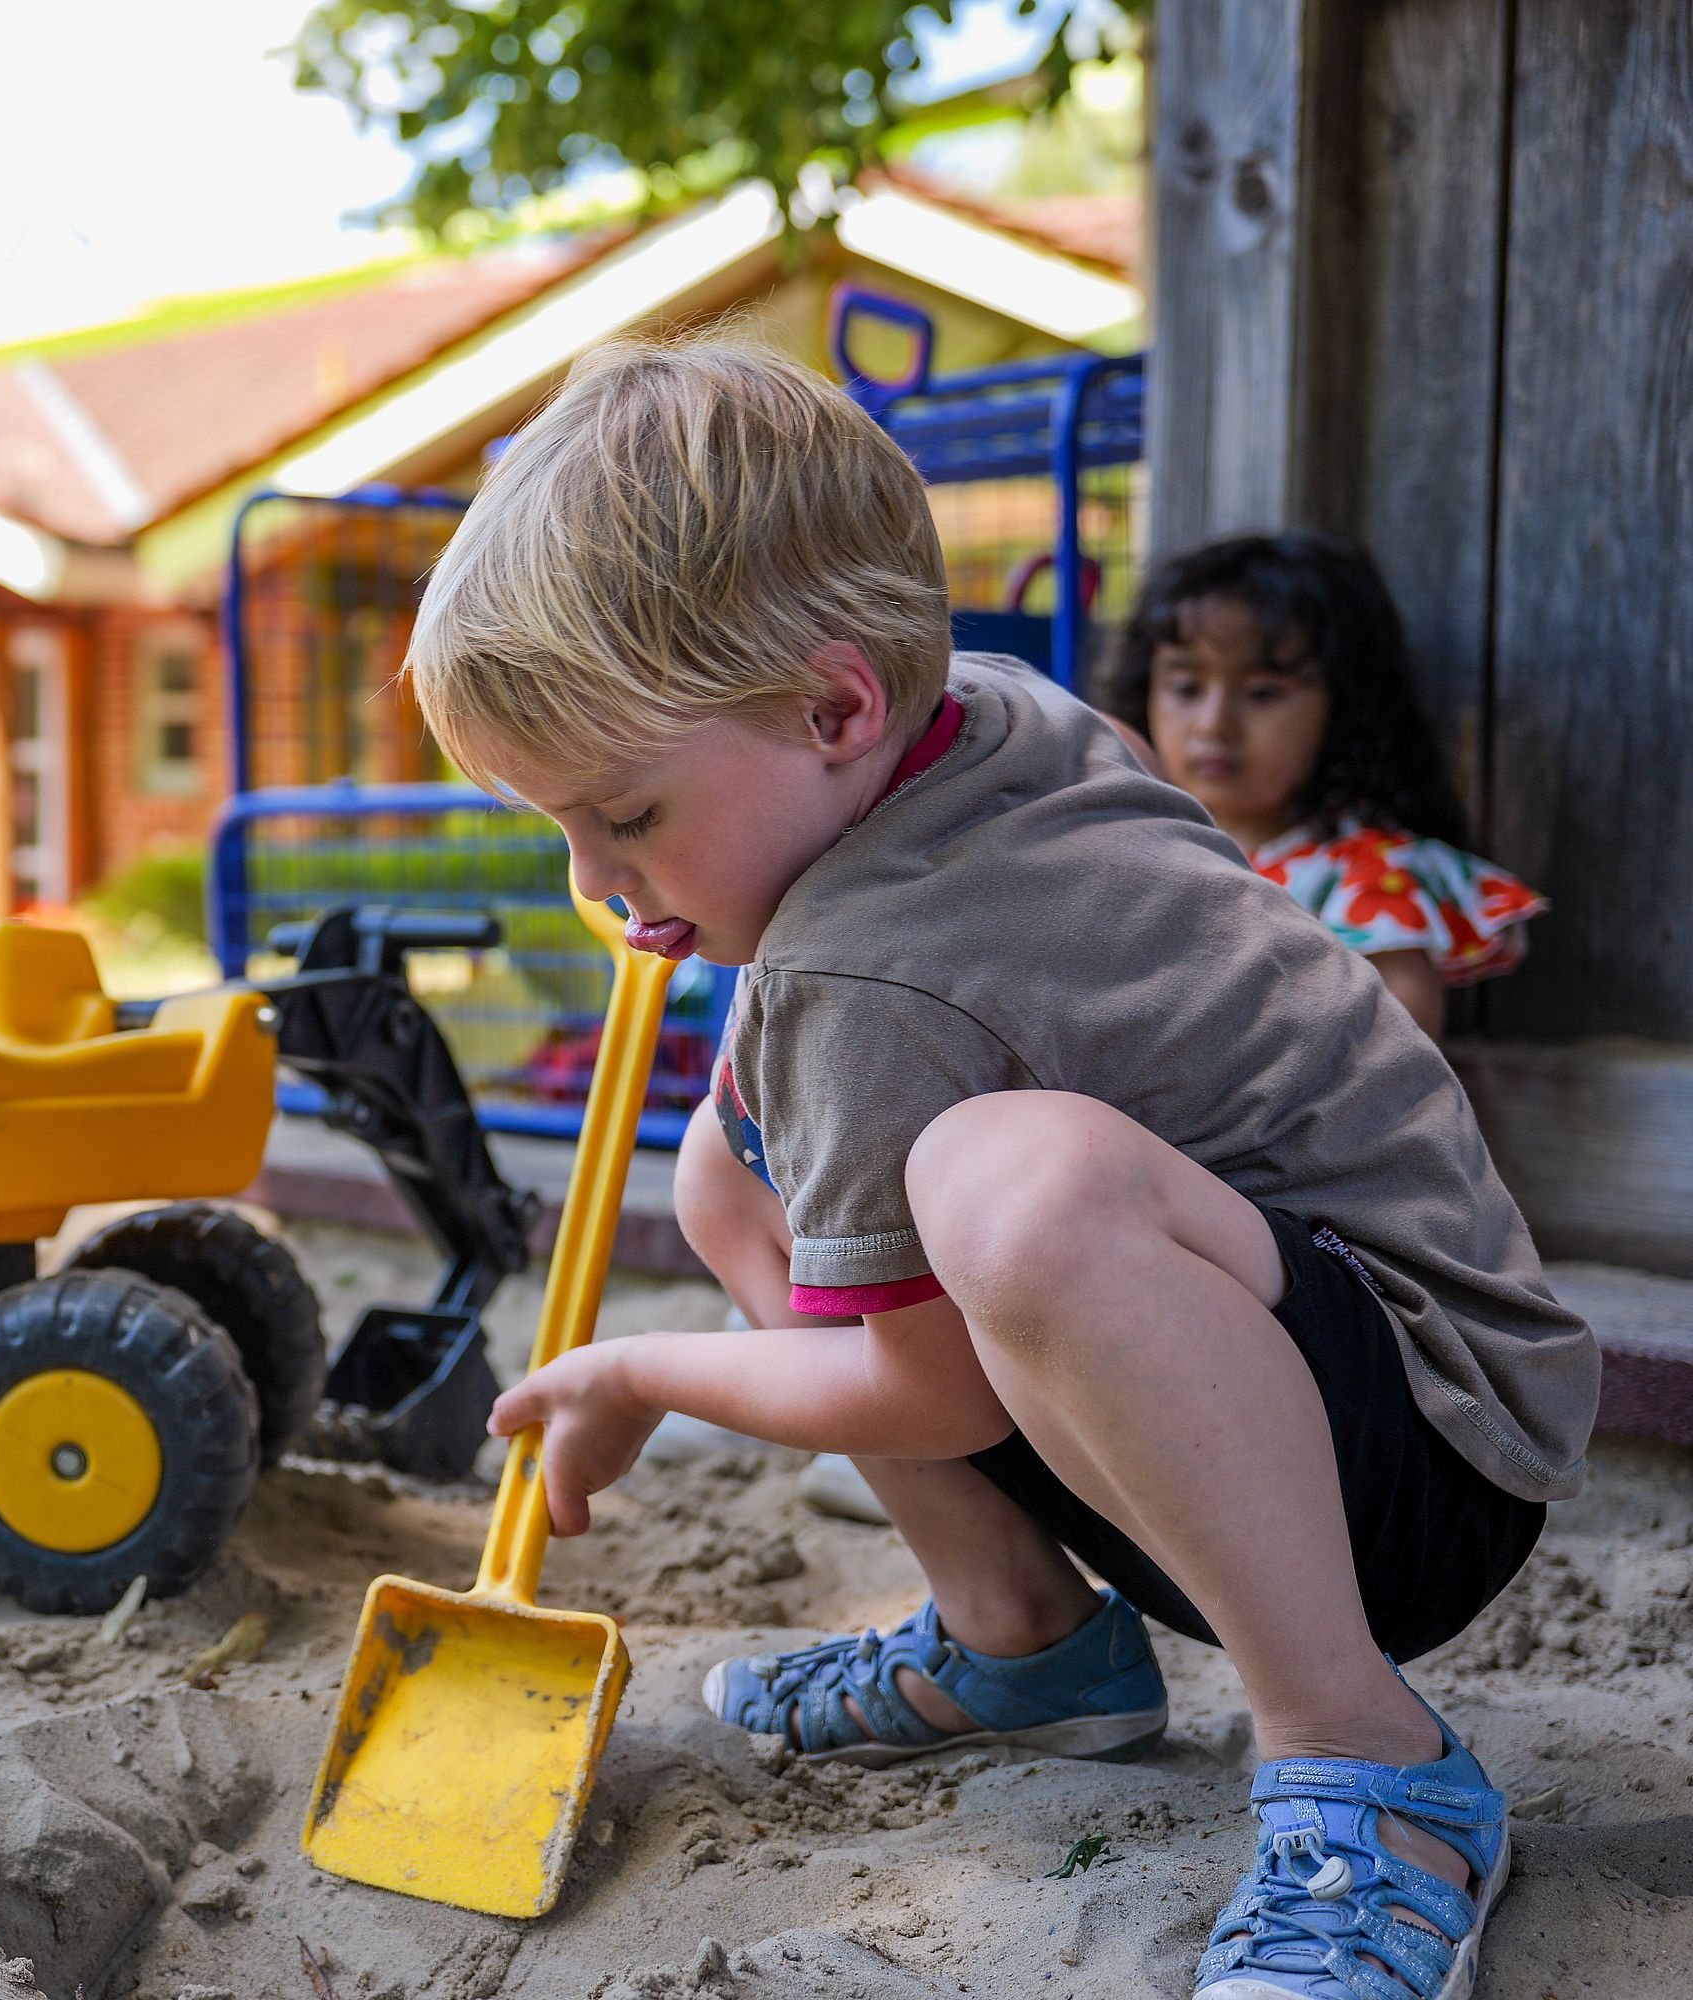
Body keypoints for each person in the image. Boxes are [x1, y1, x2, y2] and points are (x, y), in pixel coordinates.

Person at [408, 334, 1596, 2000]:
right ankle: (1020, 1636)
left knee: (1007, 1185)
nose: (598, 883)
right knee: (731, 1165)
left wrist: (638, 1365)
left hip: (1422, 1454)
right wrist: (738, 989)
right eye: (562, 830)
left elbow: (931, 1393)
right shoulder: (980, 722)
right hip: (1269, 1396)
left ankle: (1370, 1768)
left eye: (628, 814)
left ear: (836, 705)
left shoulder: (864, 975)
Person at [1103, 533, 1546, 1039]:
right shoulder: (1131, 853)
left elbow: (1398, 1059)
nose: (1213, 723)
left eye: (1263, 693)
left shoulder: (1370, 879)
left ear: (1345, 709)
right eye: (1186, 688)